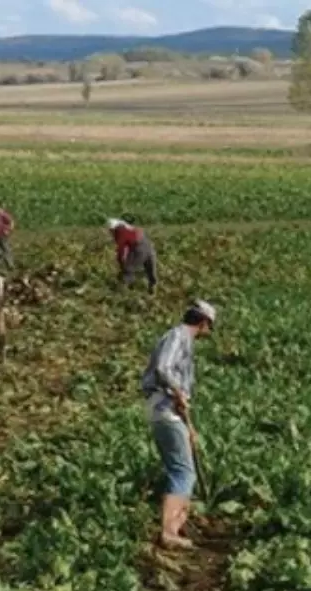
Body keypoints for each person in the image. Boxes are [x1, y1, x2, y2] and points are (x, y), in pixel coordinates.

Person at [140, 300, 216, 550]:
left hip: (169, 410)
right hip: (164, 407)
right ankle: (169, 531)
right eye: (210, 326)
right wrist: (177, 392)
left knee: (184, 469)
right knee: (183, 471)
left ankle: (177, 525)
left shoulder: (183, 340)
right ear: (203, 322)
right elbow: (163, 367)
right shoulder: (178, 336)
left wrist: (188, 428)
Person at [108, 217, 157, 294]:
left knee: (128, 269)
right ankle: (153, 288)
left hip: (139, 248)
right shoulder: (130, 228)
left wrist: (121, 263)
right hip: (149, 247)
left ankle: (125, 292)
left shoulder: (121, 232)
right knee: (150, 269)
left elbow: (121, 249)